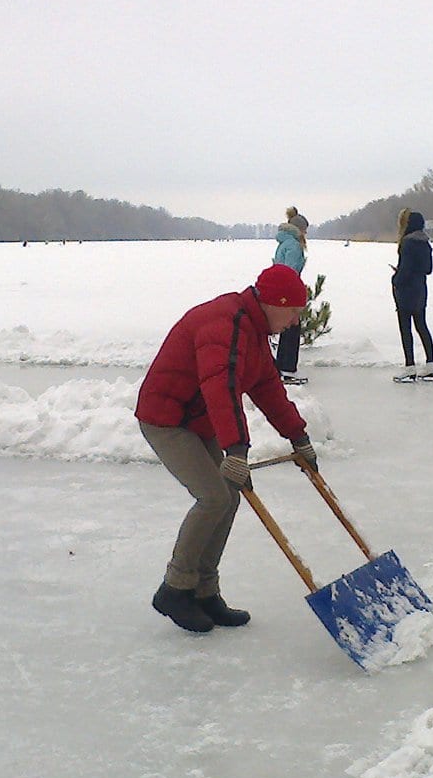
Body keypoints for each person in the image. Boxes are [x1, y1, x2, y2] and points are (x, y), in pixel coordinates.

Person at [135, 263, 318, 635]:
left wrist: (298, 436)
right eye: (294, 311)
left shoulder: (252, 329)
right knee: (214, 497)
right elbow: (220, 386)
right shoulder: (225, 323)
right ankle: (174, 589)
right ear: (274, 302)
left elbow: (267, 388)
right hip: (166, 417)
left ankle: (204, 592)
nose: (296, 320)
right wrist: (236, 449)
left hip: (197, 419)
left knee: (229, 497)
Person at [391, 208, 433, 379]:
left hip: (406, 290)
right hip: (421, 289)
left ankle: (410, 366)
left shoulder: (407, 242)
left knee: (405, 328)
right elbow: (428, 269)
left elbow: (406, 269)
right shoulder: (425, 243)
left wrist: (396, 278)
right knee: (421, 325)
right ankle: (431, 363)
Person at [272, 207, 310, 383]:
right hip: (288, 293)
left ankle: (282, 367)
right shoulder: (294, 246)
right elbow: (291, 272)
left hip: (280, 291)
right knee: (292, 330)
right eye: (305, 230)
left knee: (287, 329)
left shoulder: (283, 243)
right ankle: (287, 369)